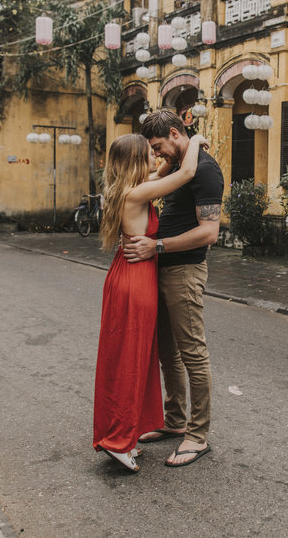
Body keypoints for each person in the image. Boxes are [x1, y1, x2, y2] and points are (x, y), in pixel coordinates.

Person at [93, 132, 208, 472]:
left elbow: (166, 170)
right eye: (148, 154)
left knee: (131, 360)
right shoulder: (136, 194)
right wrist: (198, 139)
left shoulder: (124, 190)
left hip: (126, 276)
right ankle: (118, 441)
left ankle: (123, 435)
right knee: (131, 361)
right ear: (134, 162)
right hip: (136, 280)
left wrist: (174, 150)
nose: (154, 160)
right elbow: (185, 175)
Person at [124, 110, 224, 468]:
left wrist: (159, 246)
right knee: (168, 352)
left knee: (193, 353)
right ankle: (175, 421)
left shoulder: (206, 169)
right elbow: (155, 176)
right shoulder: (180, 164)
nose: (157, 155)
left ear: (173, 133)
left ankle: (197, 436)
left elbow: (209, 233)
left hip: (184, 270)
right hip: (160, 270)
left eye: (158, 147)